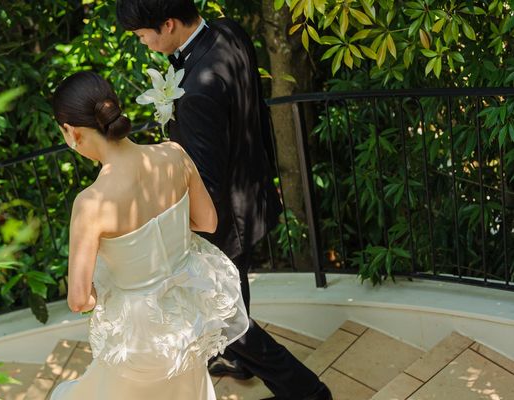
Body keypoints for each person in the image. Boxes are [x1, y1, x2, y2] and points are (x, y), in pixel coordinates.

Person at [116, 1, 332, 399]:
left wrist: (178, 228)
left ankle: (307, 391)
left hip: (224, 220)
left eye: (143, 35)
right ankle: (242, 364)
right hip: (252, 191)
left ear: (168, 24)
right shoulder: (229, 31)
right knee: (235, 290)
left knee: (223, 320)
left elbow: (207, 181)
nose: (143, 42)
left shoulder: (198, 89)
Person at [48, 71, 249, 400]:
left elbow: (79, 300)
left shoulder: (91, 203)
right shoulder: (174, 154)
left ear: (71, 131)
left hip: (138, 335)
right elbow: (208, 222)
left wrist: (113, 284)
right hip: (188, 318)